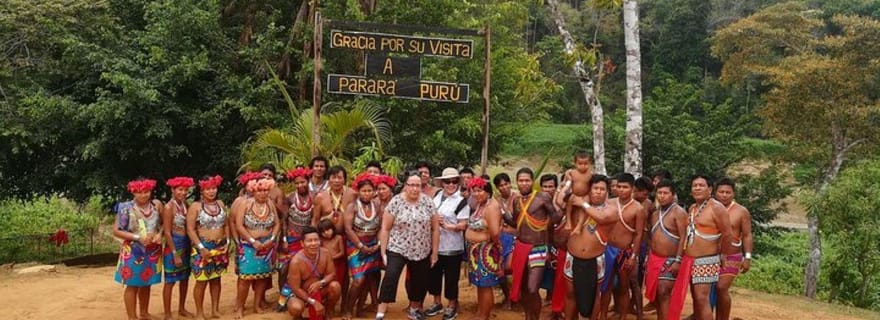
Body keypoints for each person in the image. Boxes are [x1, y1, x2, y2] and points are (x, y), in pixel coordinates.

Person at [375, 173, 440, 320]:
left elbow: (435, 229)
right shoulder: (396, 202)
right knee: (391, 276)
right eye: (411, 185)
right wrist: (383, 251)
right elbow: (385, 228)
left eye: (418, 185)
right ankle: (381, 311)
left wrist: (434, 252)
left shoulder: (428, 202)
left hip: (422, 248)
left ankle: (414, 308)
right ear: (406, 185)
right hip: (398, 247)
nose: (415, 189)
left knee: (420, 280)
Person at [668, 175, 734, 320]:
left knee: (702, 298)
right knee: (697, 299)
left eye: (701, 185)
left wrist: (723, 255)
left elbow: (728, 235)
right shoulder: (693, 208)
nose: (697, 188)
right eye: (694, 185)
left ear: (709, 189)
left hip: (707, 259)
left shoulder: (717, 208)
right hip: (690, 259)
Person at [506, 167, 559, 320]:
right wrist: (502, 213)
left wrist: (545, 234)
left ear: (532, 181)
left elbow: (555, 218)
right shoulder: (516, 200)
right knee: (523, 287)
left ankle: (535, 318)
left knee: (532, 288)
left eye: (527, 180)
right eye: (521, 181)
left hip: (538, 248)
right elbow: (516, 223)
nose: (524, 183)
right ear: (517, 182)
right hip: (521, 247)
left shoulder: (542, 197)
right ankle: (528, 316)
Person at [567, 175, 617, 320]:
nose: (598, 192)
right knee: (570, 293)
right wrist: (568, 180)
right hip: (572, 255)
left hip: (595, 259)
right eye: (595, 188)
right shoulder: (577, 205)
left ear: (607, 192)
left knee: (594, 294)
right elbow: (559, 200)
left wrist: (584, 204)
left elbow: (601, 218)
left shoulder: (611, 210)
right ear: (590, 189)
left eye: (602, 189)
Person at [113, 178, 163, 320]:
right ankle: (132, 317)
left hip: (152, 251)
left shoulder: (157, 205)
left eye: (146, 191)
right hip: (133, 251)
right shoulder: (125, 208)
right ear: (133, 192)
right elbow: (116, 230)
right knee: (132, 284)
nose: (143, 195)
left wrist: (160, 234)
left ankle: (144, 313)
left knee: (147, 282)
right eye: (139, 192)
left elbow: (165, 224)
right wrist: (137, 237)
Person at [597, 173, 645, 320]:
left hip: (625, 252)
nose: (621, 190)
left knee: (624, 287)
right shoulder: (609, 203)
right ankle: (603, 316)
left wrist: (634, 256)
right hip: (607, 250)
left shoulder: (638, 209)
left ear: (632, 189)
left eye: (625, 187)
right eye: (619, 186)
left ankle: (623, 316)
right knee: (606, 287)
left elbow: (638, 234)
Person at [425, 168, 470, 320]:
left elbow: (463, 225)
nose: (451, 184)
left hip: (453, 246)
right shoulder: (437, 196)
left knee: (451, 278)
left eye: (454, 181)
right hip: (435, 245)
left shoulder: (462, 201)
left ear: (458, 183)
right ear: (442, 183)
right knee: (434, 275)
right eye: (447, 181)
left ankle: (452, 305)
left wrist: (445, 225)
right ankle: (436, 302)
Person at [233, 177, 281, 318]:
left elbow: (277, 223)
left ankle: (257, 305)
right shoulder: (245, 204)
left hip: (267, 246)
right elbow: (239, 225)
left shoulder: (270, 204)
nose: (262, 193)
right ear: (253, 190)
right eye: (259, 190)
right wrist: (253, 241)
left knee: (262, 276)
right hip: (249, 246)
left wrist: (272, 239)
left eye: (265, 190)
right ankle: (240, 307)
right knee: (245, 277)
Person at [186, 175, 230, 320]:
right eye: (208, 189)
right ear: (202, 190)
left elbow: (226, 224)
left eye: (214, 188)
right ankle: (199, 312)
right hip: (202, 247)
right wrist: (200, 247)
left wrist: (228, 242)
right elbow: (190, 229)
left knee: (216, 279)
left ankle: (215, 310)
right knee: (202, 280)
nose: (212, 191)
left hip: (219, 247)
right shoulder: (195, 207)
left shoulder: (221, 204)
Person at [644, 179, 687, 320]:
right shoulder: (655, 214)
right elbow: (650, 236)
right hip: (654, 259)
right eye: (659, 193)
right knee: (656, 295)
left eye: (665, 193)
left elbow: (684, 238)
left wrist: (678, 260)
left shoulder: (679, 212)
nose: (662, 196)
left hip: (671, 259)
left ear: (673, 195)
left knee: (664, 292)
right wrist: (648, 256)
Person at [343, 174, 384, 319]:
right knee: (358, 280)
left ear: (374, 192)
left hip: (373, 245)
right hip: (355, 246)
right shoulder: (352, 207)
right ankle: (348, 309)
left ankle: (360, 309)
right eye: (364, 191)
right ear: (358, 191)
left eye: (369, 191)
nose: (367, 194)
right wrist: (360, 246)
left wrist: (378, 244)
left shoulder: (377, 206)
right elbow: (348, 229)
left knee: (368, 278)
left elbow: (380, 227)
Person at [277, 167, 317, 311]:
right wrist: (285, 239)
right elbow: (284, 220)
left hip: (306, 240)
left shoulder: (315, 197)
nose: (300, 185)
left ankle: (301, 298)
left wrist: (310, 238)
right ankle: (282, 299)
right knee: (284, 269)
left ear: (308, 181)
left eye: (303, 182)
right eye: (297, 183)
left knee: (303, 268)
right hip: (291, 239)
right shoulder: (289, 198)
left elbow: (314, 219)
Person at [714, 177, 753, 320]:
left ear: (733, 193)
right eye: (721, 192)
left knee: (721, 287)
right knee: (708, 290)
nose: (724, 195)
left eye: (728, 192)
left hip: (732, 256)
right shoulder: (709, 208)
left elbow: (747, 235)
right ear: (715, 193)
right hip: (710, 255)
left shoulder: (741, 211)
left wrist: (747, 257)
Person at [465, 177, 504, 320]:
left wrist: (491, 243)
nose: (476, 194)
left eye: (479, 191)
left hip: (485, 252)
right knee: (480, 284)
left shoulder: (492, 207)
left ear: (488, 192)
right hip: (476, 252)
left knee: (486, 285)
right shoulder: (481, 205)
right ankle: (480, 313)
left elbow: (494, 232)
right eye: (473, 191)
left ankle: (484, 316)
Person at [286, 226, 343, 320]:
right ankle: (298, 316)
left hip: (320, 290)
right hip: (301, 295)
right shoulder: (296, 261)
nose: (313, 243)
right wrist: (313, 302)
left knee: (335, 286)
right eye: (309, 241)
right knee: (296, 308)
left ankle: (328, 311)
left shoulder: (325, 253)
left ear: (320, 241)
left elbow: (332, 274)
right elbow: (295, 288)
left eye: (316, 240)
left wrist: (321, 283)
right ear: (302, 243)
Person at [162, 176, 195, 320]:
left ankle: (181, 308)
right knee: (170, 281)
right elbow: (167, 232)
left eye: (186, 190)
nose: (183, 192)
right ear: (173, 190)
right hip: (173, 245)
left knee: (184, 278)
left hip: (186, 244)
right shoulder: (169, 207)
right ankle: (168, 313)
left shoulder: (185, 205)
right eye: (180, 190)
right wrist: (174, 253)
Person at [631, 176, 656, 318]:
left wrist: (650, 246)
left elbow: (652, 226)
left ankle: (637, 310)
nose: (645, 196)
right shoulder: (627, 202)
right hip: (627, 244)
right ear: (636, 190)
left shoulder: (649, 205)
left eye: (647, 194)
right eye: (644, 193)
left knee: (638, 279)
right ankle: (622, 306)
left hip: (642, 245)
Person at [493, 173, 516, 309]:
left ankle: (516, 295)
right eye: (501, 185)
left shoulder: (518, 198)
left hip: (516, 238)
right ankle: (508, 297)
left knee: (510, 267)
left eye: (506, 184)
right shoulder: (496, 200)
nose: (504, 187)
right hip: (501, 238)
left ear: (510, 183)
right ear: (497, 187)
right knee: (499, 268)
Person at [557, 151, 593, 234]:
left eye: (586, 164)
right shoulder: (572, 173)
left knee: (584, 206)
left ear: (590, 163)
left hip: (585, 195)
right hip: (574, 195)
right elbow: (565, 183)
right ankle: (568, 222)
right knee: (569, 202)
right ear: (575, 163)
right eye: (580, 164)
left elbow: (592, 185)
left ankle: (579, 226)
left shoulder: (590, 174)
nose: (583, 166)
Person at [314, 165, 356, 233]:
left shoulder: (352, 194)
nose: (336, 181)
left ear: (344, 180)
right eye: (333, 177)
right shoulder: (320, 197)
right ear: (328, 180)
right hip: (327, 237)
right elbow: (315, 220)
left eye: (339, 178)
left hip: (348, 237)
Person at [318, 219, 346, 314]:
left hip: (338, 265)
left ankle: (333, 306)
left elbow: (342, 253)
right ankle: (327, 304)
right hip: (325, 266)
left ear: (333, 228)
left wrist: (331, 258)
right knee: (326, 284)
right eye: (323, 232)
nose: (326, 233)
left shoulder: (338, 238)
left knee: (338, 284)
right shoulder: (321, 240)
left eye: (328, 229)